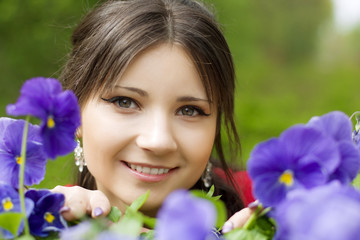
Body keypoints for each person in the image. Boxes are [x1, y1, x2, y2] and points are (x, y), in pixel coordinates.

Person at [52, 0, 254, 234]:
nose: (158, 141)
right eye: (125, 102)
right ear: (73, 114)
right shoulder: (36, 222)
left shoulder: (275, 208)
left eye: (189, 110)